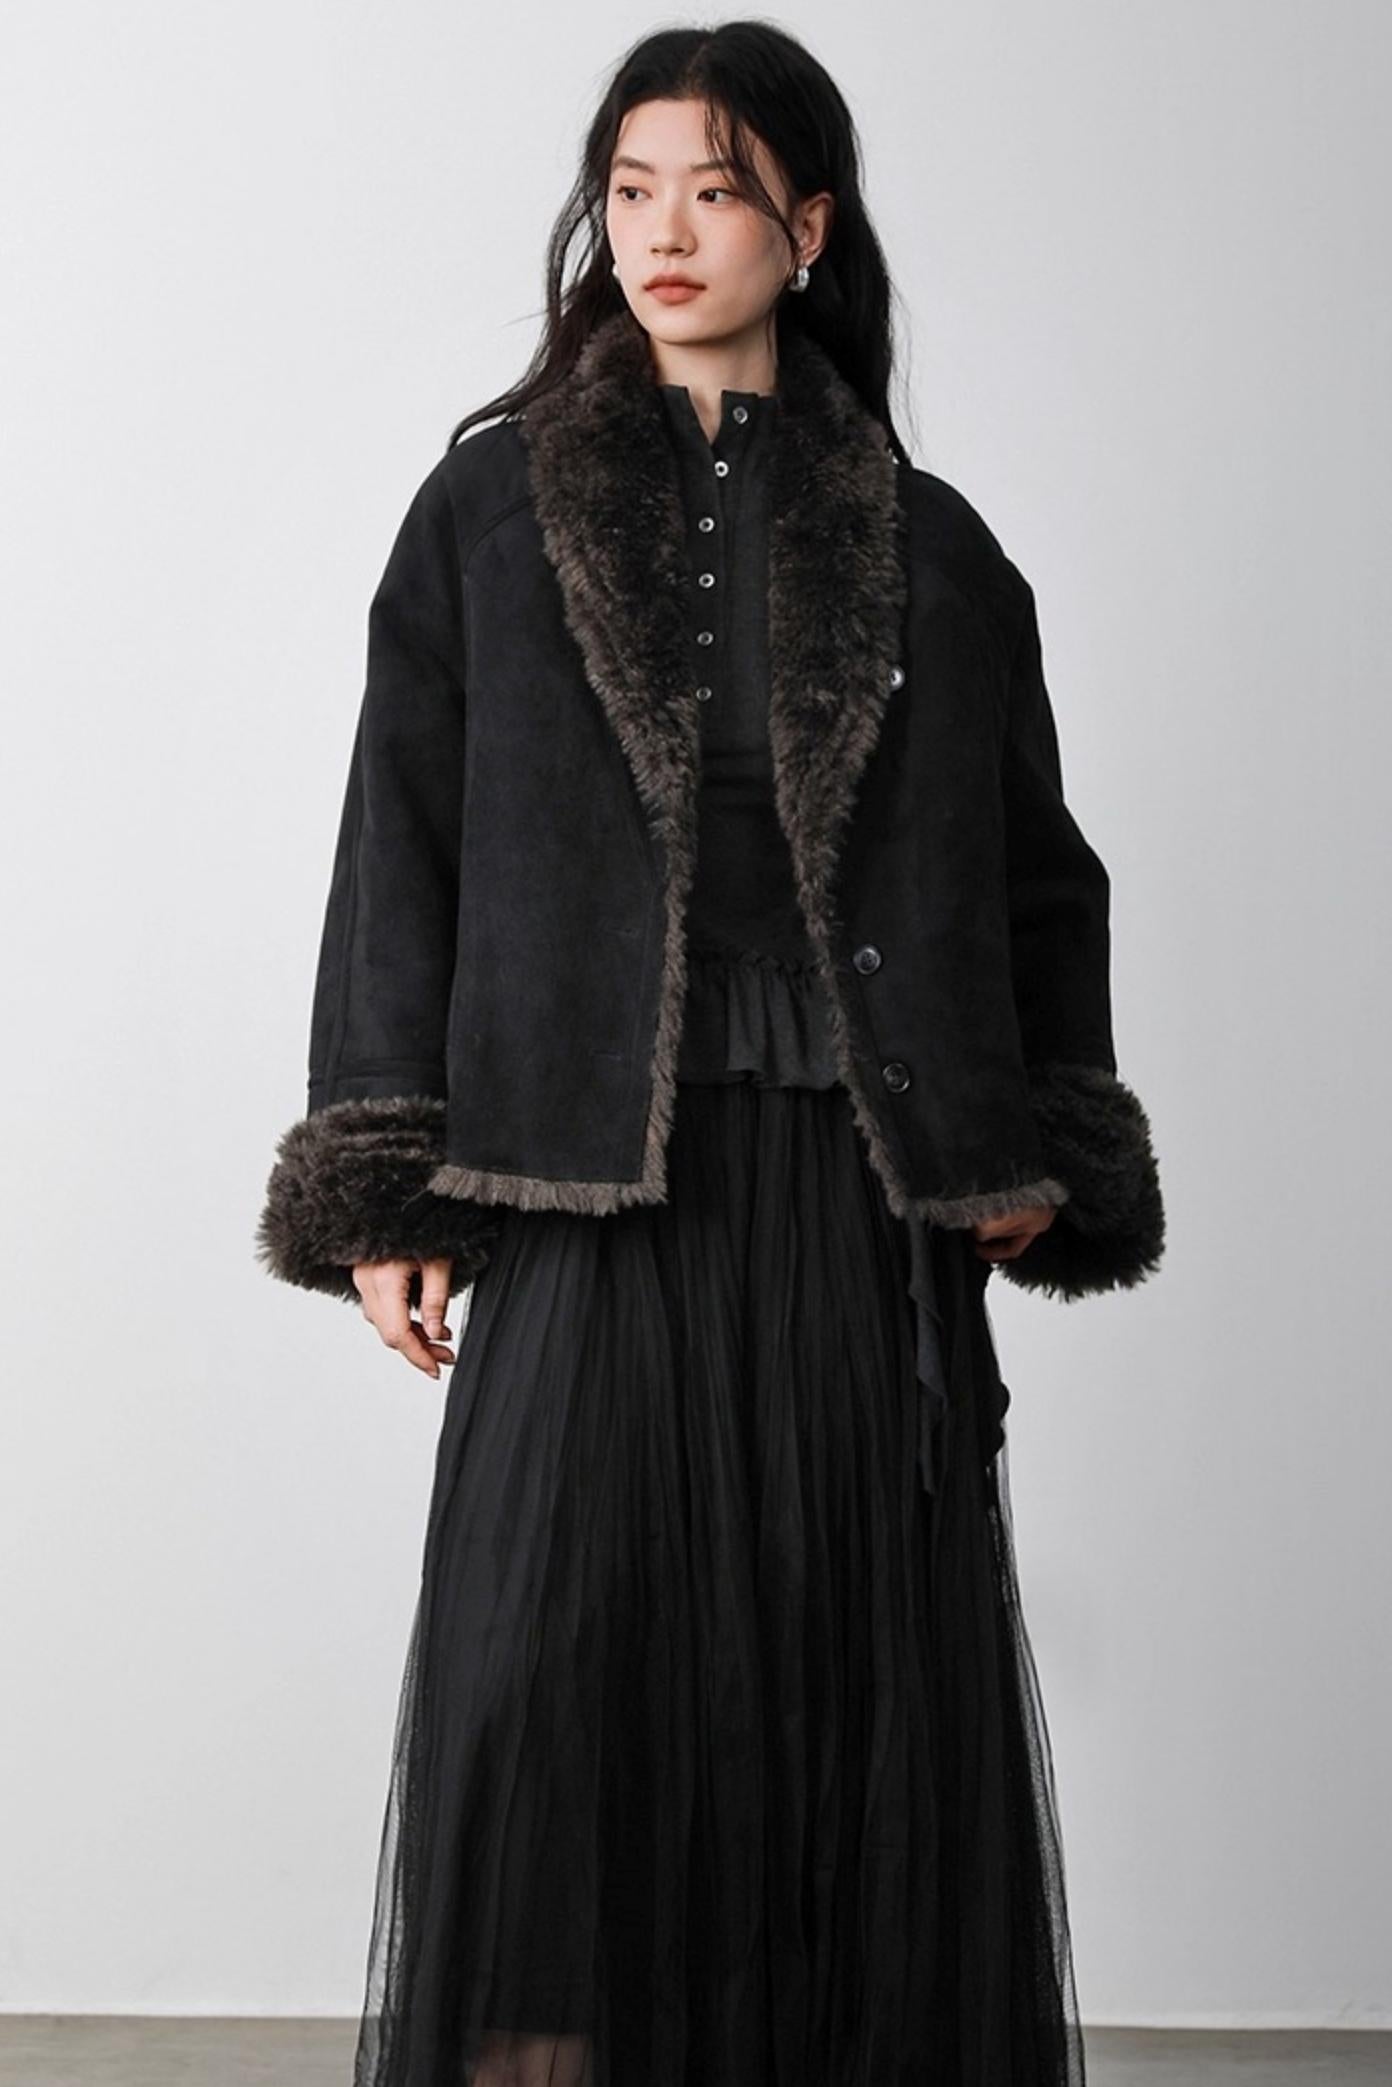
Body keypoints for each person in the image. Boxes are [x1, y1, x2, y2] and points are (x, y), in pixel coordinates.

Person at [255, 22, 1165, 2085]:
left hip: (856, 1200)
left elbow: (1036, 873)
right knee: (550, 1706)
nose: (665, 231)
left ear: (806, 228)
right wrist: (381, 1172)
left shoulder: (934, 546)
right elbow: (400, 836)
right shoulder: (487, 513)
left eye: (720, 190)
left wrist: (1044, 1133)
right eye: (633, 189)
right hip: (586, 1186)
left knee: (839, 1716)